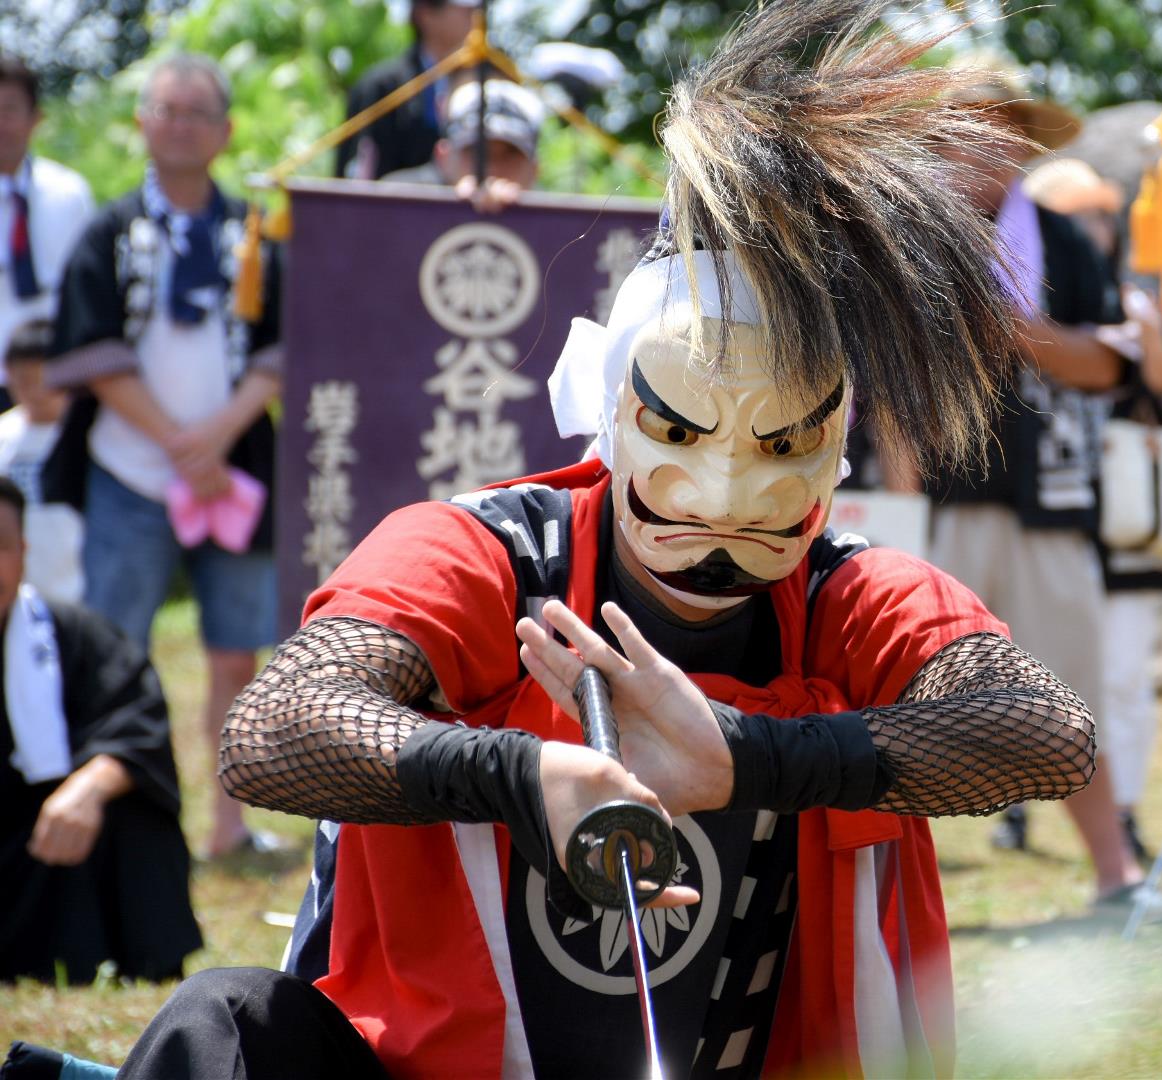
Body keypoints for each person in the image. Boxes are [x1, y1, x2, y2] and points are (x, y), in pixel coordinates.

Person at [117, 4, 1093, 1077]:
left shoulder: (847, 596)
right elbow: (278, 728)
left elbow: (1041, 732)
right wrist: (515, 773)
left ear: (834, 447)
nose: (724, 493)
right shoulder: (481, 551)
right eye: (681, 433)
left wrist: (751, 759)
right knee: (224, 1026)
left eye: (780, 446)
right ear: (609, 406)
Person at [893, 64, 1162, 914]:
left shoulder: (1062, 236)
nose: (981, 141)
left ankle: (1116, 881)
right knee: (905, 700)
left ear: (1019, 141)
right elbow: (888, 385)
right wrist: (898, 517)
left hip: (1049, 501)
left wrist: (1015, 330)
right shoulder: (907, 236)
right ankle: (888, 893)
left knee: (1070, 695)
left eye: (998, 125)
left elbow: (1109, 366)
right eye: (962, 126)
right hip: (940, 507)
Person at [42, 53, 284, 861]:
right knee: (116, 650)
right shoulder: (108, 231)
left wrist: (214, 440)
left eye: (195, 112)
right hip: (129, 470)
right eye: (164, 109)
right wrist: (182, 446)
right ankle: (122, 823)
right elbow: (93, 353)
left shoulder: (253, 231)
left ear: (225, 132)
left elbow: (279, 350)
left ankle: (228, 823)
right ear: (142, 122)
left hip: (230, 470)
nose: (178, 124)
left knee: (232, 655)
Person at [1025, 155, 1162, 862]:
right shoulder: (1018, 282)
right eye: (1076, 213)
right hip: (1045, 501)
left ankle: (1123, 812)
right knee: (1027, 665)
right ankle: (1020, 806)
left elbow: (1155, 379)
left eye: (1099, 215)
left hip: (1121, 510)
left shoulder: (1130, 298)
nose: (1094, 228)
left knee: (1116, 673)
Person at [0, 476, 200, 984]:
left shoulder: (73, 634)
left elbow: (136, 720)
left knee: (132, 808)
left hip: (43, 846)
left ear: (22, 552)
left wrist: (89, 787)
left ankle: (137, 966)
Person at [0, 56, 95, 406]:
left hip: (53, 381)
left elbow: (87, 292)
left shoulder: (68, 194)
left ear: (35, 118)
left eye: (9, 110)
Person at [336, 0, 480, 180]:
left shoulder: (488, 85)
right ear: (425, 14)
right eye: (465, 11)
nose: (475, 18)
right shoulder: (381, 87)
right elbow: (356, 178)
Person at [0, 321, 81, 603]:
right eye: (25, 382)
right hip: (22, 586)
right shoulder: (4, 435)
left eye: (44, 382)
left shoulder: (86, 434)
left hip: (79, 578)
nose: (36, 393)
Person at [384, 77, 544, 214]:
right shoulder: (394, 201)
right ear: (443, 156)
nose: (491, 169)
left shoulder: (556, 223)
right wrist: (453, 211)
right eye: (476, 152)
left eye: (510, 154)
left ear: (535, 169)